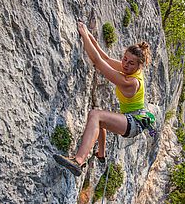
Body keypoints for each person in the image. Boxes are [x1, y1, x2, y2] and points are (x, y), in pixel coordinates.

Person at [53, 22, 155, 176]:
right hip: (134, 116)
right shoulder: (130, 69)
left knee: (96, 115)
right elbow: (106, 58)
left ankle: (78, 161)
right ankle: (101, 154)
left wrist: (83, 35)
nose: (125, 64)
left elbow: (98, 62)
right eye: (124, 59)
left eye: (131, 63)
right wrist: (88, 34)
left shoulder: (131, 82)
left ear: (139, 66)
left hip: (136, 122)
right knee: (100, 120)